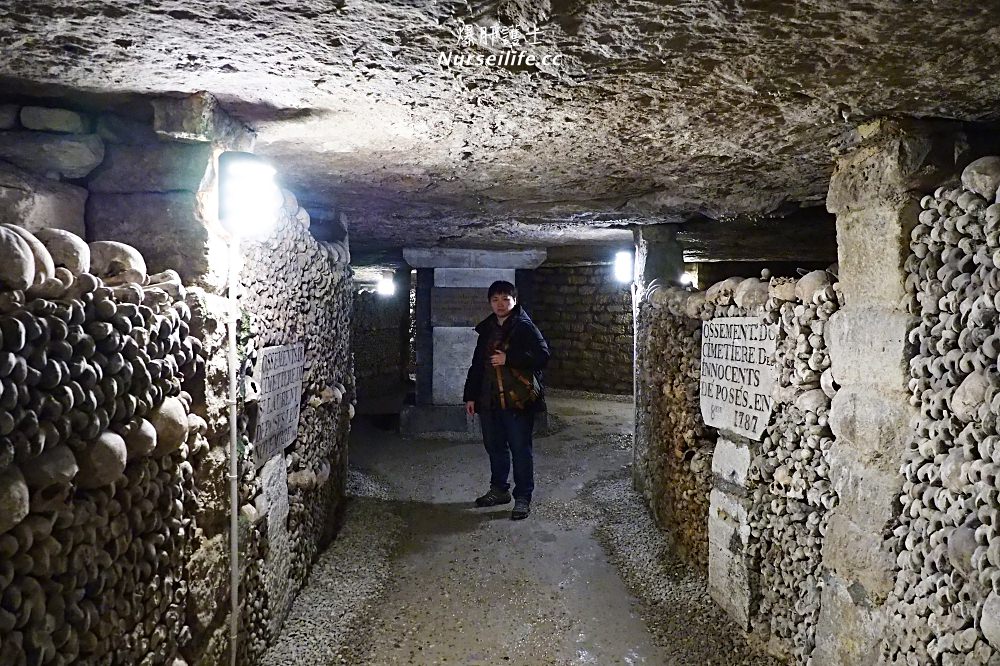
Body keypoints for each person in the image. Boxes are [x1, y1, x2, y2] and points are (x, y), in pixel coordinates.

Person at [464, 280, 550, 520]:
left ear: (514, 300)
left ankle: (523, 497)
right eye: (495, 300)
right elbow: (477, 366)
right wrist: (470, 396)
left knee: (521, 449)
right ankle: (499, 489)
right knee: (495, 447)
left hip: (517, 401)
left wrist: (509, 358)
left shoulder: (524, 326)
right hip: (489, 399)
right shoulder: (488, 328)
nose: (500, 304)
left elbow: (543, 356)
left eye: (505, 299)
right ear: (490, 302)